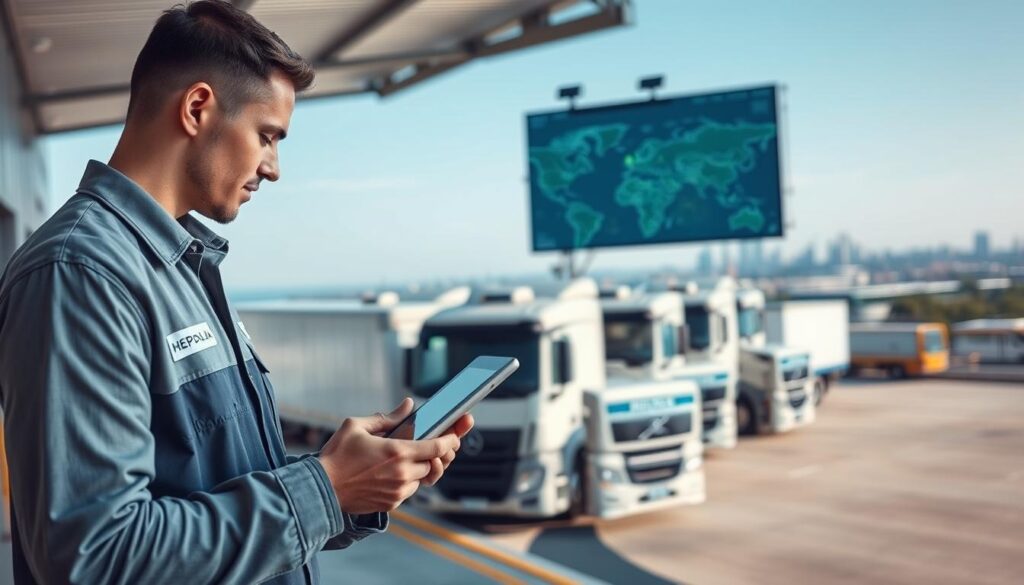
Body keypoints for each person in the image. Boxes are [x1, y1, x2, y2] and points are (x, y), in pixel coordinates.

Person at [0, 2, 472, 583]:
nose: (273, 167)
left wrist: (349, 481)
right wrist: (324, 487)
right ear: (197, 108)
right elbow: (97, 556)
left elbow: (214, 483)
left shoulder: (179, 267)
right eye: (267, 136)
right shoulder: (81, 274)